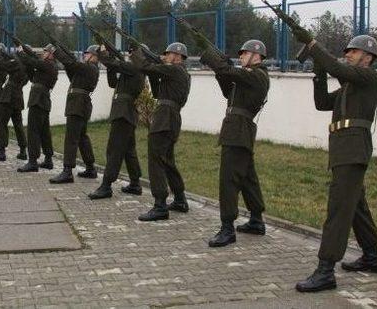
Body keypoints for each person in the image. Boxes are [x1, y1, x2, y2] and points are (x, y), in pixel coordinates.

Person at [286, 29, 377, 293]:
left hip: (353, 148)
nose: (348, 54)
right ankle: (372, 256)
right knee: (355, 204)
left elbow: (336, 67)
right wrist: (318, 71)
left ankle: (325, 269)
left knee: (338, 209)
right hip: (343, 148)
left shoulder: (369, 77)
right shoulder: (349, 87)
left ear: (368, 56)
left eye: (353, 51)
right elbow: (321, 103)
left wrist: (313, 44)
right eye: (348, 51)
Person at [197, 40, 270, 247]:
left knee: (228, 179)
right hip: (237, 128)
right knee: (247, 177)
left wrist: (210, 54)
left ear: (256, 55)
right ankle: (257, 220)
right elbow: (228, 90)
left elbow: (229, 71)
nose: (240, 57)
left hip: (239, 129)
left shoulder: (258, 75)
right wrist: (221, 70)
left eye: (244, 53)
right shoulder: (247, 77)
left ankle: (227, 227)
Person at [130, 42, 190, 221]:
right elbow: (157, 93)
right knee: (167, 161)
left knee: (156, 160)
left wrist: (137, 52)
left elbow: (144, 66)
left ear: (178, 56)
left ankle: (160, 205)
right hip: (169, 117)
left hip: (165, 117)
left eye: (168, 54)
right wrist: (154, 69)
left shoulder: (176, 70)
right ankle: (180, 199)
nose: (165, 56)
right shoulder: (176, 73)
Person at [88, 44, 145, 199]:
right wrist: (111, 62)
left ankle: (106, 186)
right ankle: (135, 183)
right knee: (128, 150)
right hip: (124, 113)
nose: (130, 54)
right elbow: (113, 82)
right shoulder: (130, 70)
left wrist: (103, 53)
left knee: (114, 149)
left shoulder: (135, 69)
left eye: (133, 52)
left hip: (123, 113)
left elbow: (114, 64)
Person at [49, 45, 100, 184]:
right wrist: (67, 56)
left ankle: (67, 171)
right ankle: (90, 168)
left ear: (94, 56)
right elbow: (72, 72)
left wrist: (56, 51)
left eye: (87, 53)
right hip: (79, 104)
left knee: (71, 138)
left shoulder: (91, 67)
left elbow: (72, 63)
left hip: (78, 105)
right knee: (82, 137)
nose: (85, 55)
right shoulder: (86, 69)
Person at [16, 44, 58, 172]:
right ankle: (48, 159)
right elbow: (33, 77)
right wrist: (28, 64)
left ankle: (33, 161)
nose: (43, 53)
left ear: (51, 54)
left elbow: (32, 61)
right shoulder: (46, 66)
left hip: (38, 100)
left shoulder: (49, 64)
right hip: (41, 99)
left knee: (33, 131)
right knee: (44, 131)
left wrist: (21, 53)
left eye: (46, 51)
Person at [0, 47, 29, 162]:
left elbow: (2, 65)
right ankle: (23, 150)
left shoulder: (17, 63)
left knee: (1, 122)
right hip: (18, 96)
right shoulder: (27, 66)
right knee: (18, 124)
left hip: (9, 96)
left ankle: (1, 151)